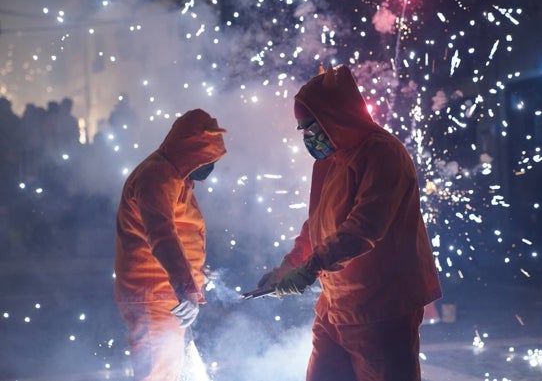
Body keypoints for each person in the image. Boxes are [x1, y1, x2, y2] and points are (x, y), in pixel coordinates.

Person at [256, 65, 442, 381]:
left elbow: (364, 227)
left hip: (383, 306)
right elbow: (317, 224)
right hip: (335, 306)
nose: (309, 139)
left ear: (334, 117)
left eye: (312, 129)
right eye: (303, 132)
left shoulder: (383, 152)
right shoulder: (331, 159)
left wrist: (309, 268)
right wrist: (289, 266)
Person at [114, 108, 226, 381]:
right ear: (191, 152)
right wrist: (186, 286)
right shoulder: (158, 176)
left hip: (167, 294)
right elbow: (161, 236)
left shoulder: (175, 176)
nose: (210, 166)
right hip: (156, 294)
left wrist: (195, 271)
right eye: (206, 158)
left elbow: (178, 233)